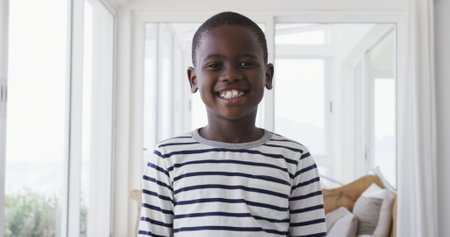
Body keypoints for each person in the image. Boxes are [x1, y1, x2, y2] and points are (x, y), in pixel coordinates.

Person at [138, 11, 327, 237]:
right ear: (193, 79)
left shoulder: (295, 159)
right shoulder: (167, 159)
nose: (230, 75)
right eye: (214, 65)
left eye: (246, 63)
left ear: (267, 75)